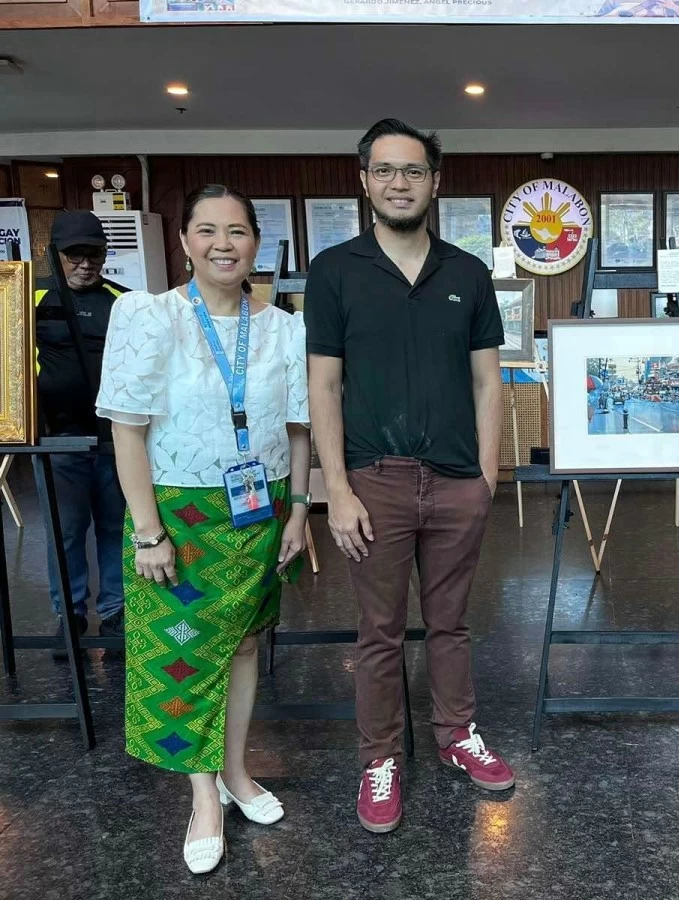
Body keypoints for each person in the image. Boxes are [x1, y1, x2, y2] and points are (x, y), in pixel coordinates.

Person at [305, 118, 514, 837]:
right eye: (386, 170)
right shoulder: (334, 271)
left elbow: (489, 382)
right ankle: (381, 758)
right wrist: (336, 487)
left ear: (435, 181)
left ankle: (457, 734)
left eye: (414, 171)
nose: (400, 183)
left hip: (457, 483)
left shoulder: (467, 273)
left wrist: (485, 477)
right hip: (375, 483)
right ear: (363, 181)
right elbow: (323, 386)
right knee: (380, 632)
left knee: (451, 624)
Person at [96, 184, 310, 873]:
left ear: (256, 242)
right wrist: (147, 531)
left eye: (239, 231)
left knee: (245, 646)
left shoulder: (282, 326)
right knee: (182, 652)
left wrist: (300, 510)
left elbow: (299, 429)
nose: (224, 243)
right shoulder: (148, 316)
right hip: (180, 515)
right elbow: (127, 432)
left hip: (259, 507)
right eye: (208, 230)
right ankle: (204, 797)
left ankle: (236, 771)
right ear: (184, 241)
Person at [35, 211, 128, 657]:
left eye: (94, 254)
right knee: (66, 530)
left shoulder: (124, 303)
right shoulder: (28, 299)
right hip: (56, 442)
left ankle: (115, 613)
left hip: (115, 441)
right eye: (75, 255)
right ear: (55, 254)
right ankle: (69, 614)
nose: (85, 264)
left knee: (115, 528)